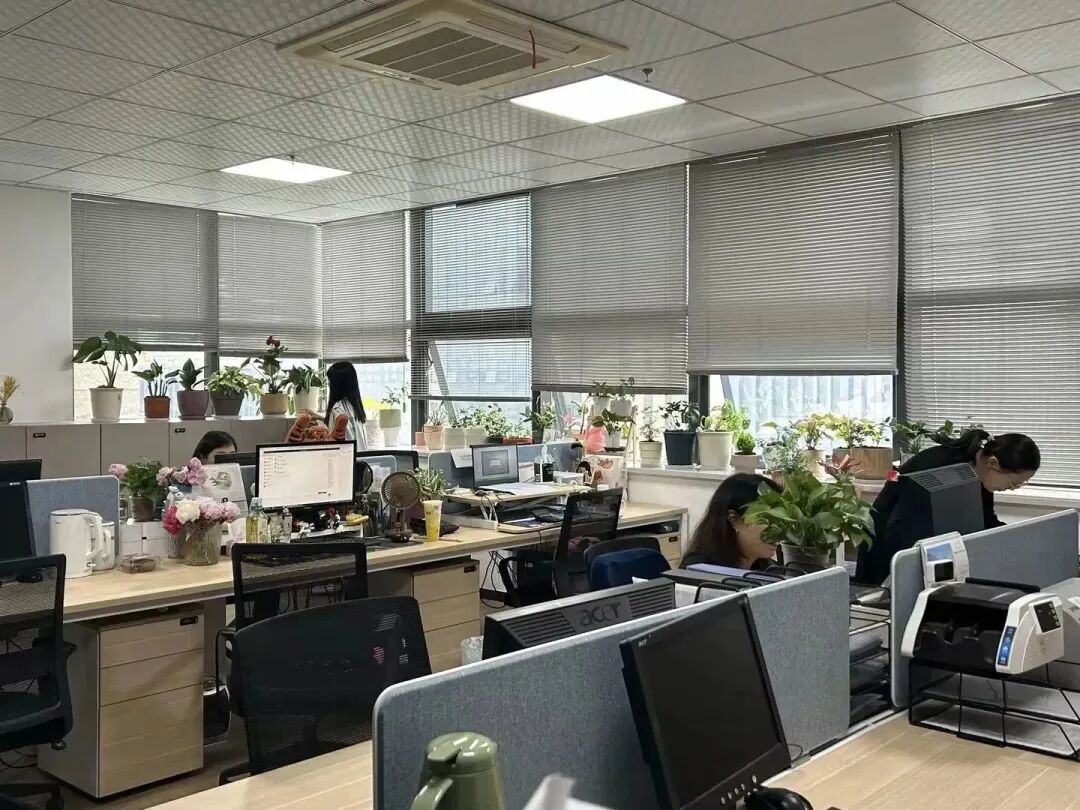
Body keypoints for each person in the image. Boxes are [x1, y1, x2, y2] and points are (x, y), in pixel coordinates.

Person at [856, 428, 1041, 585]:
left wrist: (1015, 539)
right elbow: (902, 527)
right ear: (993, 463)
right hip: (887, 540)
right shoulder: (943, 470)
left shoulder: (978, 473)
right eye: (1013, 483)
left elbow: (985, 520)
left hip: (917, 545)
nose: (1011, 489)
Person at [680, 473, 783, 570]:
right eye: (769, 518)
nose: (779, 529)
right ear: (733, 519)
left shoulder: (770, 569)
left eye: (782, 519)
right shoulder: (698, 569)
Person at [324, 361, 369, 451]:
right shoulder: (355, 407)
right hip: (362, 457)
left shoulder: (338, 408)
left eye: (330, 380)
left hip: (347, 458)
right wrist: (317, 416)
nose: (328, 384)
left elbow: (345, 444)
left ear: (336, 384)